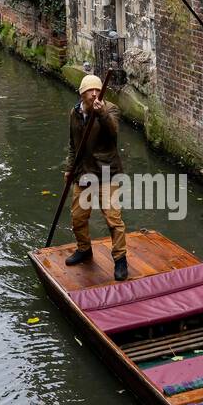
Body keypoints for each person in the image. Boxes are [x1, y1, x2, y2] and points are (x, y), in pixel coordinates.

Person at [63, 74, 128, 281]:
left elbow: (113, 133)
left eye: (97, 90)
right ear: (82, 93)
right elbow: (74, 145)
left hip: (107, 173)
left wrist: (101, 115)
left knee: (113, 219)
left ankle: (120, 259)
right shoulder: (74, 113)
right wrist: (69, 168)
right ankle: (84, 249)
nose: (94, 94)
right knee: (78, 217)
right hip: (83, 172)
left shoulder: (110, 109)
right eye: (90, 91)